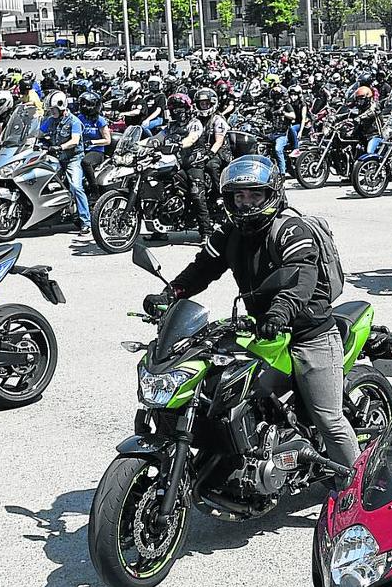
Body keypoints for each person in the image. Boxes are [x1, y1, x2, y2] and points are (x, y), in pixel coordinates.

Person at [144, 155, 360, 474]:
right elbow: (204, 267)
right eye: (239, 196)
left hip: (308, 334)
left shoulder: (291, 230)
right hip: (263, 329)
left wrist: (280, 313)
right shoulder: (230, 232)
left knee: (328, 419)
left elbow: (301, 276)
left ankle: (358, 488)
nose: (246, 203)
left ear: (271, 194)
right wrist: (171, 293)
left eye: (254, 195)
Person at [158, 92, 210, 239]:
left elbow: (191, 139)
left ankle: (206, 232)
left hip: (194, 162)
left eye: (180, 108)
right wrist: (138, 144)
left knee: (196, 194)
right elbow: (157, 138)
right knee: (159, 186)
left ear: (187, 109)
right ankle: (159, 230)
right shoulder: (171, 126)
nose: (177, 111)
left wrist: (180, 144)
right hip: (174, 162)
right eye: (174, 108)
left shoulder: (195, 123)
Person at [41, 91, 91, 236]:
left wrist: (60, 147)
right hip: (56, 158)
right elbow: (38, 132)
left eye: (53, 109)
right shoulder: (51, 120)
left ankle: (86, 222)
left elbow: (75, 140)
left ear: (61, 106)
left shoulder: (74, 121)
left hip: (73, 158)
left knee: (76, 186)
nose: (51, 111)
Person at [76, 90, 112, 188]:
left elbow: (107, 140)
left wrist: (92, 142)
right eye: (82, 104)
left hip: (97, 151)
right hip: (81, 149)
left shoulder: (100, 120)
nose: (84, 107)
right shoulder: (80, 118)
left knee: (85, 162)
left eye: (87, 104)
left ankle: (94, 189)